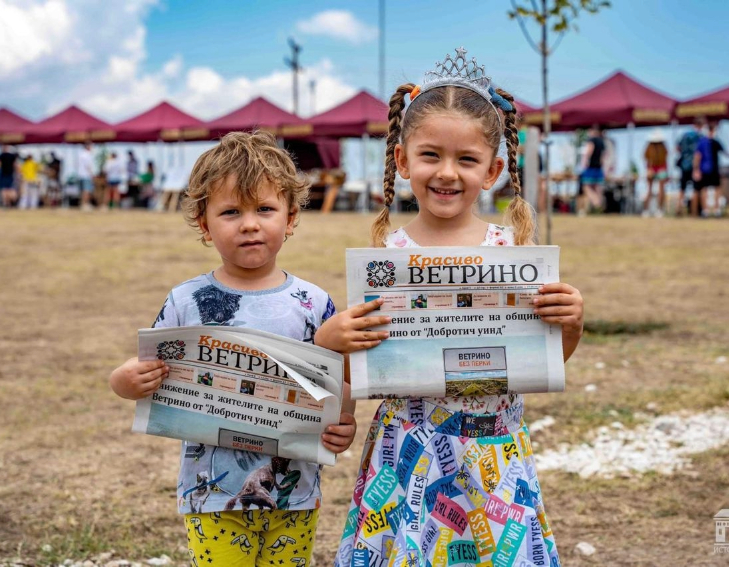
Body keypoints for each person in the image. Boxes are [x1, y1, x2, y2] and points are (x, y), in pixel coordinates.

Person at [316, 48, 584, 567]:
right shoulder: (387, 260)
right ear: (401, 160)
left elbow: (543, 359)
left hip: (492, 454)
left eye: (467, 159)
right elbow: (364, 365)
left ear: (493, 170)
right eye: (431, 155)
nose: (447, 173)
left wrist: (569, 324)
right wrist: (336, 342)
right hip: (407, 455)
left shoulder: (512, 253)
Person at [109, 131, 358, 567]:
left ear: (292, 217)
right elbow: (143, 369)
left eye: (265, 209)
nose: (249, 223)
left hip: (295, 491)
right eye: (231, 212)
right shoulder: (186, 301)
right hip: (211, 493)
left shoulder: (314, 303)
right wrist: (126, 380)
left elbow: (338, 379)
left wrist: (346, 422)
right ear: (204, 225)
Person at [693, 121, 726, 217]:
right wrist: (696, 169)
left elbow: (697, 156)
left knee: (708, 189)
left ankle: (708, 210)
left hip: (707, 169)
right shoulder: (709, 142)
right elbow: (697, 156)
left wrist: (696, 169)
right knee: (711, 189)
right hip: (708, 169)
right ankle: (712, 210)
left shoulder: (703, 142)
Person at [675, 116, 705, 215]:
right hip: (695, 166)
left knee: (682, 188)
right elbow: (699, 153)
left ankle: (678, 209)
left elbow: (677, 148)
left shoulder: (685, 135)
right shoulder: (700, 137)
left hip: (684, 164)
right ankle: (694, 211)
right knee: (696, 189)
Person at [577, 124, 606, 215]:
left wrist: (584, 163)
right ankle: (598, 206)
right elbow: (603, 156)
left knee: (586, 187)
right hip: (599, 168)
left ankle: (597, 203)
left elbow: (588, 152)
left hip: (590, 168)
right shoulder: (602, 142)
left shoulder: (591, 140)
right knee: (597, 188)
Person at [642, 129, 669, 217]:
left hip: (651, 169)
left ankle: (646, 210)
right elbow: (666, 159)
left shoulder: (649, 147)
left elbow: (645, 158)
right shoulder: (663, 148)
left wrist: (649, 169)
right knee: (661, 190)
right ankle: (659, 210)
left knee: (649, 190)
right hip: (662, 169)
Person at [77, 142, 95, 211]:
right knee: (87, 190)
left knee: (82, 191)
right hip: (86, 175)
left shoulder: (80, 154)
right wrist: (91, 174)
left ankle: (82, 204)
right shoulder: (88, 155)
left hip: (80, 174)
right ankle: (85, 204)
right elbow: (88, 166)